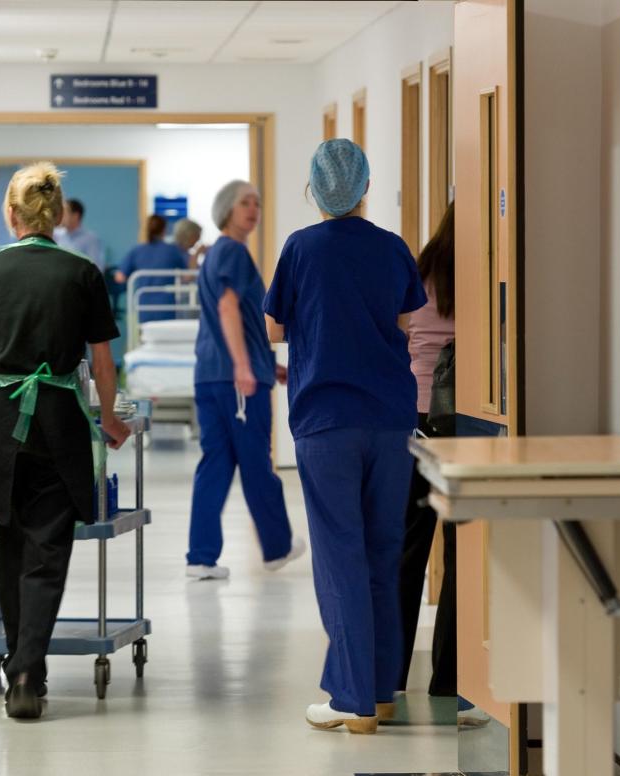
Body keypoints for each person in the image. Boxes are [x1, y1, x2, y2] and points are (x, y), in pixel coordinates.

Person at [0, 162, 131, 720]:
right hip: (62, 415)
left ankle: (22, 667)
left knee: (11, 539)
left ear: (13, 215)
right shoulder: (83, 272)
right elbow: (103, 361)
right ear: (59, 214)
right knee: (48, 547)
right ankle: (25, 670)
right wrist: (110, 419)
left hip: (3, 418)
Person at [264, 140, 427, 735]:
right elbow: (405, 322)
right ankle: (381, 690)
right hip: (389, 419)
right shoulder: (392, 249)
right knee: (384, 553)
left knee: (340, 557)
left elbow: (276, 326)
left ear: (315, 189)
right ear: (364, 187)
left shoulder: (301, 249)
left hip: (325, 419)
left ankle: (353, 701)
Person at [393, 201, 485, 727]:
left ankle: (388, 675)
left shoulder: (418, 268)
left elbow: (401, 334)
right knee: (459, 550)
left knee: (406, 551)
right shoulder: (478, 273)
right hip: (462, 419)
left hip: (414, 418)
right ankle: (449, 677)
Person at [187, 180, 305, 580]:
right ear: (226, 209)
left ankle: (200, 557)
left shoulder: (217, 255)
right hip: (236, 380)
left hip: (211, 376)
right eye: (244, 203)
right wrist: (243, 366)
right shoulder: (234, 252)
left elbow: (232, 323)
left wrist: (265, 365)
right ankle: (277, 547)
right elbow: (227, 309)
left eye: (257, 202)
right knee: (256, 462)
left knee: (216, 464)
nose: (253, 209)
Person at [115, 215, 191, 323]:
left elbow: (120, 277)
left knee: (146, 338)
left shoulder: (137, 251)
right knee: (167, 337)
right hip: (166, 306)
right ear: (164, 230)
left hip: (143, 305)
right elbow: (187, 277)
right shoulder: (173, 250)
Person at [54, 198, 105, 271]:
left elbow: (97, 268)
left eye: (64, 213)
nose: (61, 217)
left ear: (75, 216)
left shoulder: (90, 239)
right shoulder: (55, 235)